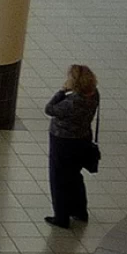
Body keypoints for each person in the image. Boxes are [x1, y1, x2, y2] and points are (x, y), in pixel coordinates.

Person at [44, 65, 100, 227]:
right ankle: (80, 211)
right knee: (75, 176)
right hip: (83, 139)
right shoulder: (94, 94)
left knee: (59, 179)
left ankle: (61, 217)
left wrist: (62, 91)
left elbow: (49, 109)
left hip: (63, 142)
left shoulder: (72, 102)